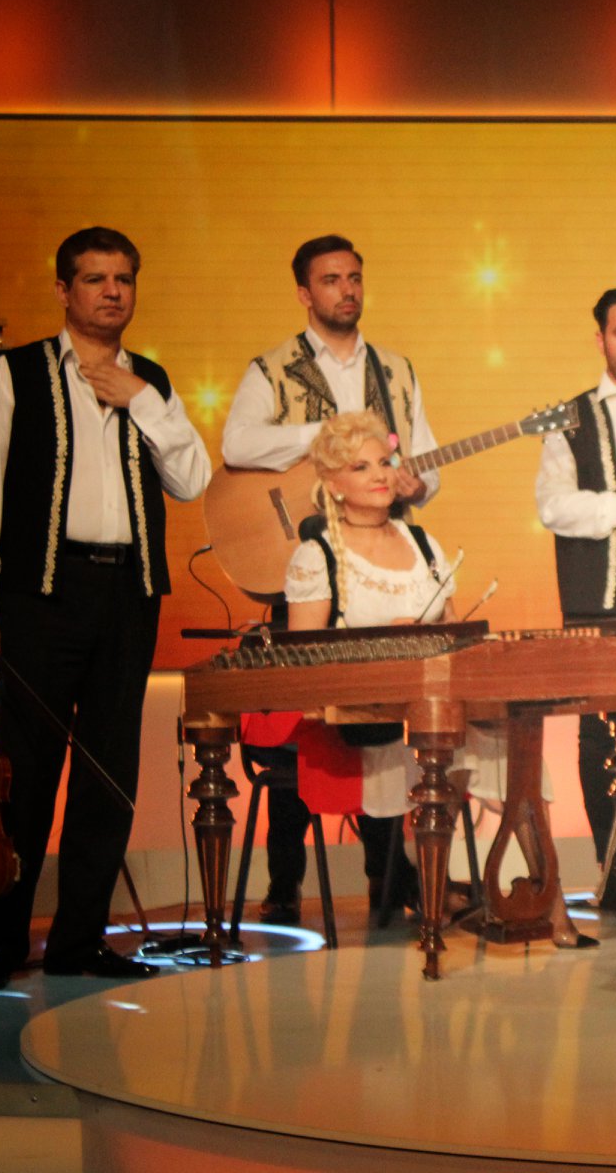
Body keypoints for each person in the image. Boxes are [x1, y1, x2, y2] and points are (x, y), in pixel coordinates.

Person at [0, 226, 212, 990]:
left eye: (123, 279)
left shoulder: (150, 380)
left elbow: (192, 480)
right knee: (25, 772)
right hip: (41, 591)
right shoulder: (15, 374)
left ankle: (79, 941)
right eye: (95, 279)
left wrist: (144, 402)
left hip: (127, 593)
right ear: (64, 290)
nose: (111, 292)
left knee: (109, 772)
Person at [221, 234, 440, 922]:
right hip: (310, 550)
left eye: (354, 277)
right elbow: (237, 443)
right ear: (304, 292)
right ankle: (285, 881)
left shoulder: (396, 370)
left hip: (379, 554)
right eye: (330, 279)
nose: (347, 290)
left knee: (385, 711)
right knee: (304, 708)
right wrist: (324, 440)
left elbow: (426, 464)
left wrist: (414, 480)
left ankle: (389, 876)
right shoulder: (272, 368)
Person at [282, 411, 504, 903]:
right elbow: (304, 661)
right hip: (366, 718)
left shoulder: (422, 542)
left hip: (434, 708)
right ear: (333, 485)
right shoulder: (317, 556)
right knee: (432, 740)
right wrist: (385, 640)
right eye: (361, 467)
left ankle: (524, 891)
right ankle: (424, 883)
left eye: (384, 462)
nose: (381, 475)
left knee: (506, 736)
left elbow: (454, 633)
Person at [536, 287, 616, 865]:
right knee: (604, 741)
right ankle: (614, 870)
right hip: (602, 600)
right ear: (601, 339)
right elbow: (554, 506)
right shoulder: (570, 418)